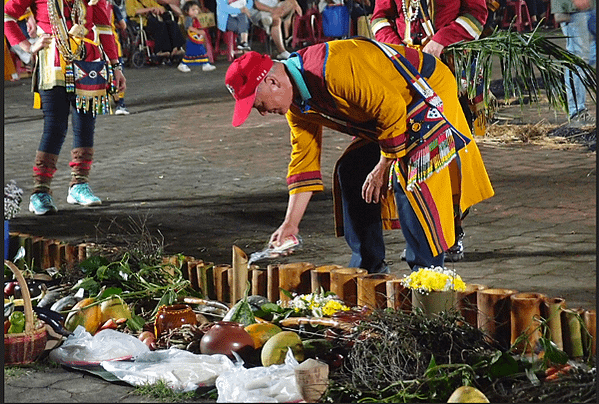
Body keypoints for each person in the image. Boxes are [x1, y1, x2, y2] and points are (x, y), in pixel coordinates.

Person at [224, 41, 495, 273]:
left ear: (272, 82)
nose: (262, 113)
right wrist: (290, 225)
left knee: (410, 176)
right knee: (351, 171)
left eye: (258, 104)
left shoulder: (334, 69)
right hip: (390, 110)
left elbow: (391, 107)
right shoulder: (297, 106)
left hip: (425, 92)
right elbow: (303, 161)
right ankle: (369, 269)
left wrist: (384, 165)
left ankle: (428, 275)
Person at [370, 0, 489, 262]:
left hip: (448, 67)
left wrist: (441, 41)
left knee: (448, 157)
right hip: (405, 69)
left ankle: (452, 232)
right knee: (411, 155)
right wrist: (396, 49)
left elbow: (476, 13)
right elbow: (379, 18)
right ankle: (421, 237)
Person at [5, 0, 127, 215]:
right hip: (53, 64)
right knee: (55, 126)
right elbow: (7, 16)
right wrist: (28, 47)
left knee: (85, 124)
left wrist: (116, 67)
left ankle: (79, 185)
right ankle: (40, 192)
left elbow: (105, 27)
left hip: (89, 62)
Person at [552, 0, 596, 124]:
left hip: (591, 6)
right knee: (577, 58)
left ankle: (567, 86)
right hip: (572, 8)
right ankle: (577, 112)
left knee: (582, 58)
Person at [178, 0, 217, 72]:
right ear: (187, 11)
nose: (195, 11)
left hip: (198, 38)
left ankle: (205, 64)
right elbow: (189, 28)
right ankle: (183, 64)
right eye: (193, 10)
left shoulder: (196, 19)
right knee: (191, 53)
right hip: (191, 40)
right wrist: (199, 31)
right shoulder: (189, 19)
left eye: (196, 9)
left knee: (202, 50)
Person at [109, 0, 131, 114]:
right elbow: (123, 25)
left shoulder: (86, 7)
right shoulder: (112, 7)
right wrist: (113, 26)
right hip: (112, 45)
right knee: (117, 74)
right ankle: (120, 104)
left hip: (94, 46)